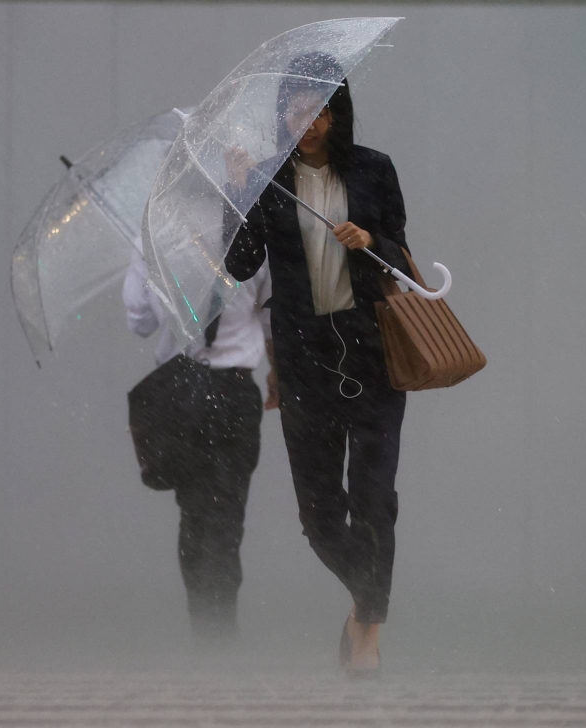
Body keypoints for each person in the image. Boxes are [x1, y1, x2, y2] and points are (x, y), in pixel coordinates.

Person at [224, 62, 412, 677]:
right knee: (320, 513)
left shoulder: (373, 169)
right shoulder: (268, 179)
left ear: (338, 112)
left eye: (320, 111)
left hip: (372, 355)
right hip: (305, 360)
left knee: (375, 500)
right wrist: (238, 191)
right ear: (284, 116)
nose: (308, 124)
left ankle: (368, 639)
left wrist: (372, 244)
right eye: (297, 111)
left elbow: (400, 250)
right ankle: (367, 599)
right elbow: (241, 265)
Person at [122, 244, 271, 640]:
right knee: (227, 513)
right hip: (235, 388)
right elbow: (274, 315)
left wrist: (143, 258)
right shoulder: (256, 235)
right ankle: (220, 625)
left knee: (195, 513)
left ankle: (206, 625)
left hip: (181, 389)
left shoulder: (157, 238)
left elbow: (139, 320)